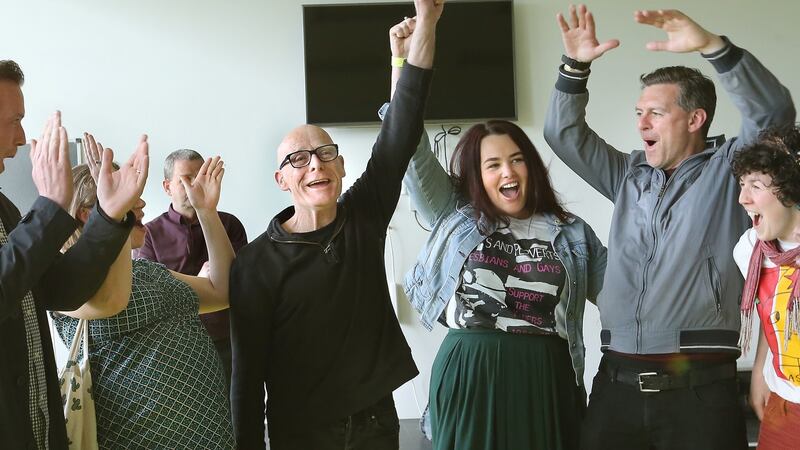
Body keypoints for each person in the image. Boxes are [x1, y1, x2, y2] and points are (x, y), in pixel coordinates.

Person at [543, 6, 795, 449]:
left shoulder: (730, 170)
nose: (641, 123)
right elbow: (563, 133)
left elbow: (774, 111)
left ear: (695, 120)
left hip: (698, 390)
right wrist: (574, 67)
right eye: (640, 112)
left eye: (655, 113)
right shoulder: (627, 174)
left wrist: (715, 48)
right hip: (614, 383)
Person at [229, 2, 442, 448]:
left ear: (341, 166)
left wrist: (420, 34)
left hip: (376, 426)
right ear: (281, 179)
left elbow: (402, 127)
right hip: (301, 432)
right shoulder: (255, 263)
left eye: (325, 153)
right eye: (297, 160)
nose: (314, 166)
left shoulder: (362, 215)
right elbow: (246, 376)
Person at [51, 136, 235, 449]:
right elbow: (112, 299)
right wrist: (116, 216)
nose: (142, 205)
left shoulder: (146, 270)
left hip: (208, 435)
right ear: (88, 213)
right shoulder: (64, 279)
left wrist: (207, 211)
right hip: (136, 438)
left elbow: (222, 291)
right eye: (132, 197)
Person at [0, 60, 147, 450]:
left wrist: (108, 215)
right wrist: (49, 206)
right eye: (13, 120)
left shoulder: (5, 210)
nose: (21, 139)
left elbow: (61, 290)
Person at [136, 148, 247, 388]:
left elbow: (240, 284)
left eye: (199, 177)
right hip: (174, 348)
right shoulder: (148, 234)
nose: (194, 185)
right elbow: (153, 295)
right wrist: (198, 281)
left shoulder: (229, 225)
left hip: (227, 341)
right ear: (167, 187)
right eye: (185, 179)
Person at [732, 125, 800, 449]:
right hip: (783, 406)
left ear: (790, 190)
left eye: (755, 186)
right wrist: (759, 369)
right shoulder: (751, 250)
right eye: (742, 184)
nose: (743, 198)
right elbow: (771, 314)